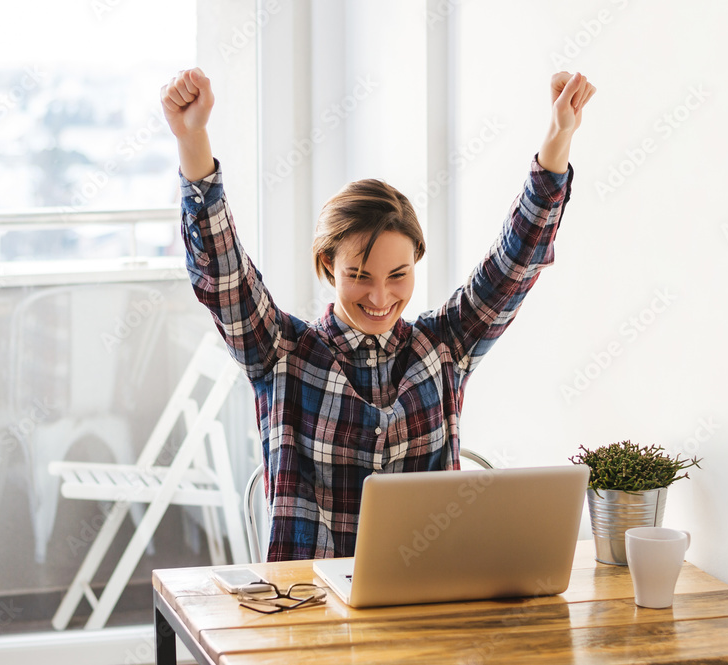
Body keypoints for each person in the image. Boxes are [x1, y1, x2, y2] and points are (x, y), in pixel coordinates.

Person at [161, 67, 596, 562]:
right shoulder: (281, 352)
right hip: (309, 612)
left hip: (429, 602)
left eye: (398, 274)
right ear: (328, 266)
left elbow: (516, 262)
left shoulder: (447, 344)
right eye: (360, 275)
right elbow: (223, 275)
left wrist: (558, 138)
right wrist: (192, 138)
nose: (381, 297)